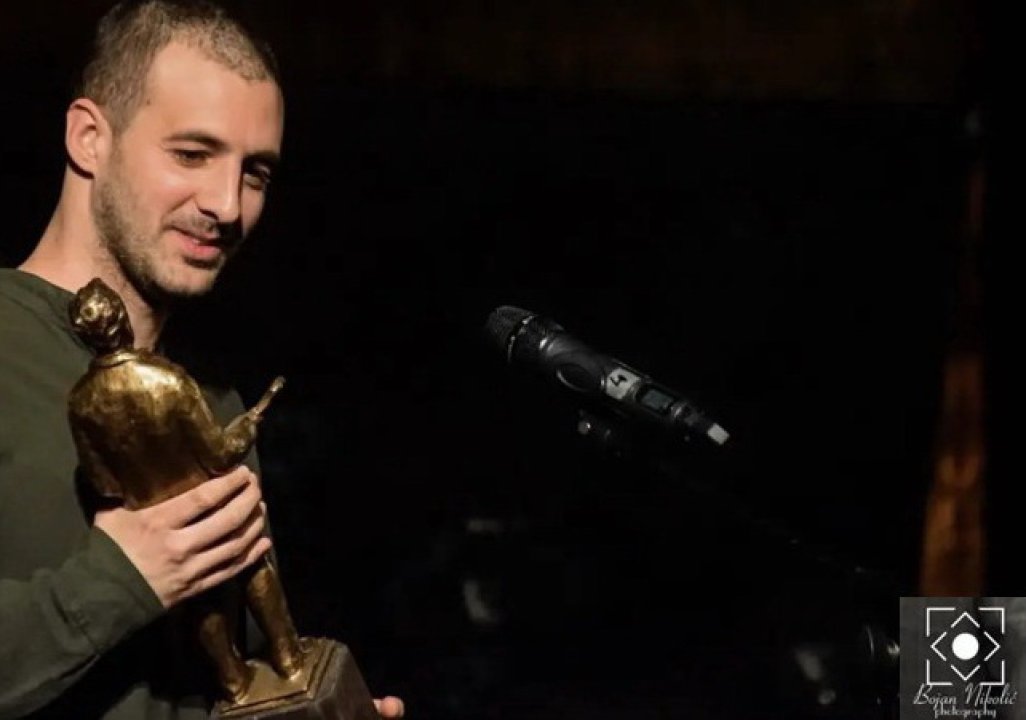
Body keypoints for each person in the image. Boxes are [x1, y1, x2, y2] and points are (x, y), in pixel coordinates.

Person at [0, 2, 403, 718]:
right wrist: (121, 578)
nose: (227, 204)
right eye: (191, 154)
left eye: (256, 173)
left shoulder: (212, 394)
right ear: (90, 138)